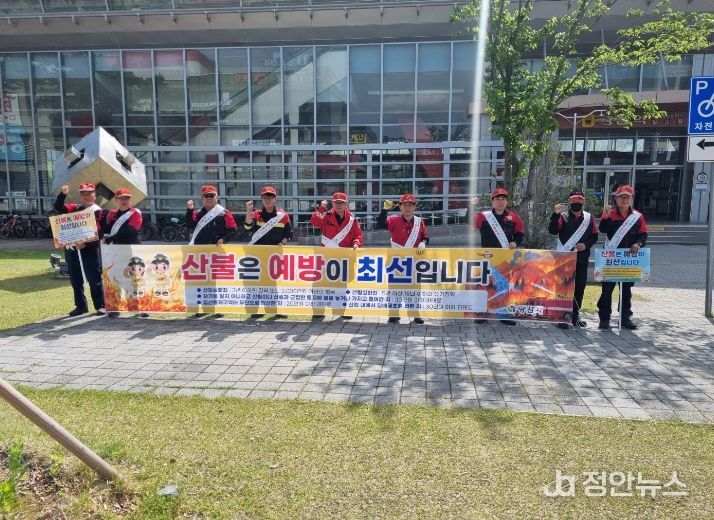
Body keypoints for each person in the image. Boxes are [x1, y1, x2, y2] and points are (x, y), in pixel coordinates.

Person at [597, 184, 647, 330]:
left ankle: (624, 318)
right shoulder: (610, 214)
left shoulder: (638, 216)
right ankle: (604, 319)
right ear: (616, 199)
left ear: (632, 198)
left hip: (629, 260)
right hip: (611, 259)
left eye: (627, 197)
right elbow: (603, 229)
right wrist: (606, 218)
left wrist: (638, 243)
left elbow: (643, 235)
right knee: (607, 291)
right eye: (621, 197)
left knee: (626, 291)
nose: (624, 200)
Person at [473, 187, 525, 326]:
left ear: (507, 201)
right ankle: (481, 313)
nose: (500, 201)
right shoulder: (483, 216)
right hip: (487, 257)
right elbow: (469, 221)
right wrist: (471, 206)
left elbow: (520, 233)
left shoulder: (513, 217)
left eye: (503, 199)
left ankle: (503, 314)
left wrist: (515, 242)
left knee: (503, 286)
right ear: (493, 201)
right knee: (485, 286)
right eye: (497, 199)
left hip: (505, 258)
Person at [548, 188, 599, 329]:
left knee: (580, 287)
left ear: (583, 202)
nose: (576, 202)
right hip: (565, 260)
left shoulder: (589, 218)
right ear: (569, 201)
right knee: (563, 287)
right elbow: (553, 231)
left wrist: (585, 245)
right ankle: (562, 316)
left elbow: (594, 236)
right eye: (574, 200)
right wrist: (555, 214)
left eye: (579, 200)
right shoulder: (562, 217)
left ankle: (575, 316)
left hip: (582, 259)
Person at [53, 183, 106, 316]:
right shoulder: (75, 208)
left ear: (94, 195)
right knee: (75, 279)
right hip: (73, 249)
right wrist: (62, 194)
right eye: (83, 194)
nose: (86, 196)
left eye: (89, 193)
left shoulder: (98, 211)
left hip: (90, 249)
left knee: (94, 279)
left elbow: (99, 232)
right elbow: (58, 207)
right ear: (80, 196)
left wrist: (85, 243)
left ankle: (100, 305)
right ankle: (81, 306)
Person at [311, 192, 363, 320]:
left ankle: (340, 310)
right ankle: (318, 310)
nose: (339, 205)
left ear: (346, 204)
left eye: (341, 203)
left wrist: (356, 243)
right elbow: (315, 222)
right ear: (332, 204)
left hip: (343, 257)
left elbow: (358, 235)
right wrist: (321, 208)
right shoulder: (326, 215)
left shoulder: (352, 219)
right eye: (336, 202)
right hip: (326, 255)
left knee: (341, 284)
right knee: (320, 283)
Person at [377, 193, 428, 325]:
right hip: (396, 261)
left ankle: (415, 314)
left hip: (413, 261)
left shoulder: (419, 221)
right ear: (400, 207)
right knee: (394, 288)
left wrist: (423, 243)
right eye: (404, 205)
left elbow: (425, 237)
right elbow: (381, 224)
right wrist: (385, 210)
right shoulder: (394, 220)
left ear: (414, 207)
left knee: (415, 288)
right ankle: (394, 314)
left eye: (410, 204)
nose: (407, 207)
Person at [102, 188, 144, 317]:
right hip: (115, 252)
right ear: (116, 200)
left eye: (126, 198)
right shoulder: (111, 215)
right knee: (114, 279)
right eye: (121, 198)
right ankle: (114, 308)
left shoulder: (135, 213)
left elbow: (130, 231)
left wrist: (110, 238)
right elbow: (106, 230)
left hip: (131, 251)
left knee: (134, 280)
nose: (124, 201)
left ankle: (137, 307)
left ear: (130, 200)